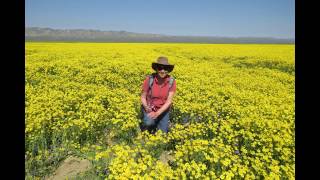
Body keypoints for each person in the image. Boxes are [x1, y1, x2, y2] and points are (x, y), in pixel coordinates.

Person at [140, 57, 176, 134]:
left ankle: (157, 123)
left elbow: (169, 101)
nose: (162, 71)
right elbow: (143, 97)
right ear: (156, 69)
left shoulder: (171, 81)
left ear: (168, 70)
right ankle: (148, 127)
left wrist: (157, 113)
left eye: (165, 68)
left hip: (163, 110)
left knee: (162, 134)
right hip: (150, 108)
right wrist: (147, 108)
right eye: (160, 68)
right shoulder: (149, 79)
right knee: (148, 122)